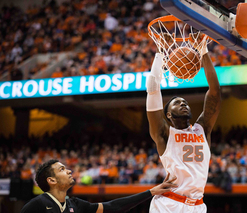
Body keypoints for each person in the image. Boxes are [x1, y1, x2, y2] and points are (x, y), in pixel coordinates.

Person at [146, 34, 221, 212]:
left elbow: (215, 92)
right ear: (169, 115)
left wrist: (203, 51)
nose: (183, 103)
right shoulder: (164, 134)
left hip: (198, 205)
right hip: (169, 204)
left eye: (185, 102)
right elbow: (152, 89)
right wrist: (160, 53)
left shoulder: (202, 129)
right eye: (177, 102)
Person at [20, 159, 177, 213]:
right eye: (62, 169)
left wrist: (151, 192)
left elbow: (115, 207)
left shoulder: (75, 204)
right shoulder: (36, 206)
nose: (68, 170)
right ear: (52, 180)